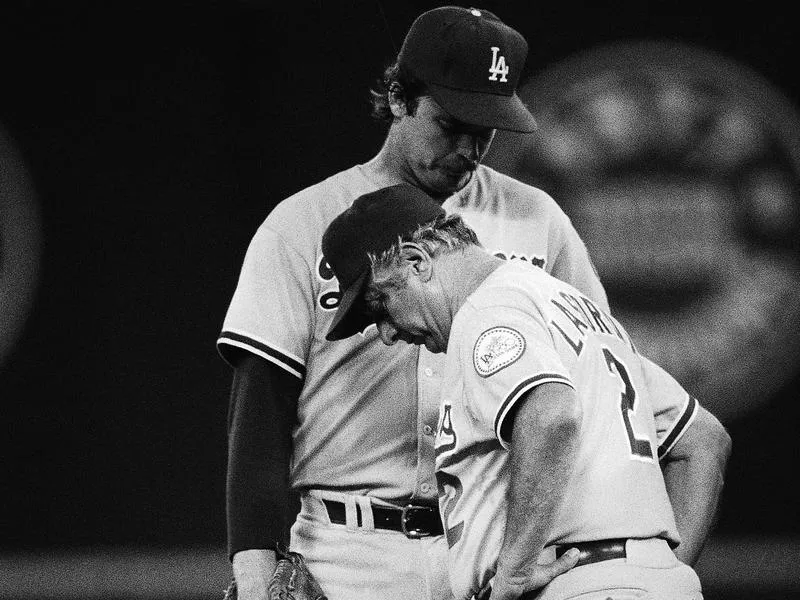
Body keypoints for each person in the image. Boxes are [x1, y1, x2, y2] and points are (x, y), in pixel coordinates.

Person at [217, 6, 721, 600]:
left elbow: (606, 391)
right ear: (400, 98)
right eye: (451, 124)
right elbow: (260, 411)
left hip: (501, 541)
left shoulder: (538, 219)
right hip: (354, 546)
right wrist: (254, 571)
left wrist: (645, 570)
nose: (469, 147)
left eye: (486, 128)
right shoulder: (301, 225)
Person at [321, 184, 732, 600]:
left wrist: (514, 574)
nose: (387, 334)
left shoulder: (488, 310)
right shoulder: (572, 307)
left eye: (380, 304)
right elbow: (703, 437)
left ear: (417, 261)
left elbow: (551, 412)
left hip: (579, 585)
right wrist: (656, 571)